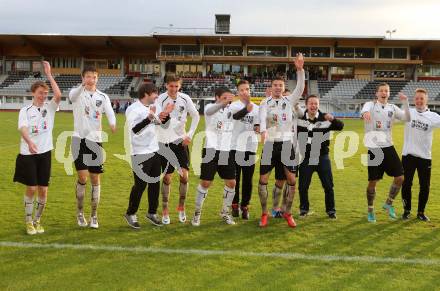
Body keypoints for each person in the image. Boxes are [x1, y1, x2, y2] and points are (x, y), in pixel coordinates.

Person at [13, 61, 61, 235]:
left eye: (45, 93)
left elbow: (58, 95)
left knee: (43, 189)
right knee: (32, 188)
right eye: (40, 93)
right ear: (33, 93)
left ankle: (37, 220)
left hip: (45, 153)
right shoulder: (25, 110)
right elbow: (23, 128)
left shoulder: (50, 108)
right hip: (28, 154)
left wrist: (49, 75)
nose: (43, 96)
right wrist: (29, 141)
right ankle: (28, 221)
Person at [258, 53, 305, 228]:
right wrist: (263, 131)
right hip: (270, 144)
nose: (278, 88)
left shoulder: (289, 100)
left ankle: (288, 212)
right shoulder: (265, 102)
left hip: (286, 145)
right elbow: (262, 118)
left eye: (280, 85)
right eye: (275, 85)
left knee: (292, 180)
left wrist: (300, 70)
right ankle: (264, 214)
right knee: (263, 180)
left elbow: (300, 89)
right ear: (271, 88)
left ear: (284, 87)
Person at [69, 66, 117, 229]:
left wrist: (112, 123)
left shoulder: (103, 96)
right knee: (83, 178)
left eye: (94, 77)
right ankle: (80, 213)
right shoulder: (76, 93)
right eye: (88, 76)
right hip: (78, 140)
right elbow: (71, 96)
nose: (91, 79)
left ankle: (94, 216)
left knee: (95, 179)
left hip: (95, 141)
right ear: (83, 78)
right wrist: (82, 85)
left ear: (98, 79)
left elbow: (110, 111)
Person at [124, 83, 173, 228]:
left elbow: (163, 125)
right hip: (139, 152)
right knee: (140, 185)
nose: (157, 96)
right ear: (146, 93)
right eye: (155, 93)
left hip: (154, 150)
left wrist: (165, 114)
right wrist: (150, 118)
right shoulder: (133, 109)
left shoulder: (155, 106)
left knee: (154, 184)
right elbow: (135, 130)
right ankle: (130, 213)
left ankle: (152, 213)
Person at [361, 83, 410, 223]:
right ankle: (370, 210)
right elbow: (365, 110)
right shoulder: (370, 105)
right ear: (377, 93)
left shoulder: (392, 108)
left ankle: (388, 204)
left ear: (389, 94)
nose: (384, 93)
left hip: (388, 146)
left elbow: (407, 118)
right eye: (381, 91)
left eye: (386, 91)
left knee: (400, 177)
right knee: (373, 182)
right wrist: (365, 113)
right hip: (374, 148)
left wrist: (405, 102)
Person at [156, 75, 200, 224]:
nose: (174, 89)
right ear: (166, 86)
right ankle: (165, 210)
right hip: (165, 142)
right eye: (171, 86)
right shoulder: (160, 99)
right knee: (167, 178)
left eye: (176, 86)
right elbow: (155, 118)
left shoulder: (185, 98)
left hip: (181, 142)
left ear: (179, 86)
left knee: (184, 176)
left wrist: (189, 135)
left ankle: (181, 208)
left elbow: (195, 116)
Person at [191, 88, 236, 226]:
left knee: (231, 183)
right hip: (211, 150)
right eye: (224, 97)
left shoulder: (231, 110)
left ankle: (225, 211)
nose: (227, 100)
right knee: (205, 183)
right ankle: (197, 214)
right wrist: (222, 103)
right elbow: (209, 112)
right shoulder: (211, 107)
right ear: (217, 97)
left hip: (226, 151)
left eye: (228, 98)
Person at [296, 95, 344, 219]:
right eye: (311, 103)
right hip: (305, 158)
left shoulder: (325, 118)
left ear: (318, 105)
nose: (313, 106)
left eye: (316, 103)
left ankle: (331, 211)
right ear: (306, 105)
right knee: (303, 186)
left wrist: (333, 119)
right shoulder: (299, 118)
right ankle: (304, 209)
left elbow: (340, 126)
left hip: (322, 157)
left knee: (328, 185)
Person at [401, 88, 440, 221]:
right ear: (414, 100)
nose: (419, 101)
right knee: (406, 184)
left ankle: (421, 212)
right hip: (408, 156)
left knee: (425, 186)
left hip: (425, 157)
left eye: (421, 98)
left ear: (426, 100)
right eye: (417, 98)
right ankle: (406, 211)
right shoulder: (409, 112)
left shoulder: (433, 117)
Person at [229, 80, 260, 219]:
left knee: (248, 180)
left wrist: (259, 128)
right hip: (235, 147)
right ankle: (234, 205)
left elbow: (259, 125)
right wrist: (247, 108)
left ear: (250, 90)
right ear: (237, 92)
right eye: (241, 90)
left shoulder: (257, 108)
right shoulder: (233, 106)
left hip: (250, 147)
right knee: (235, 179)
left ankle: (245, 206)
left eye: (247, 89)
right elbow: (235, 117)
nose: (244, 92)